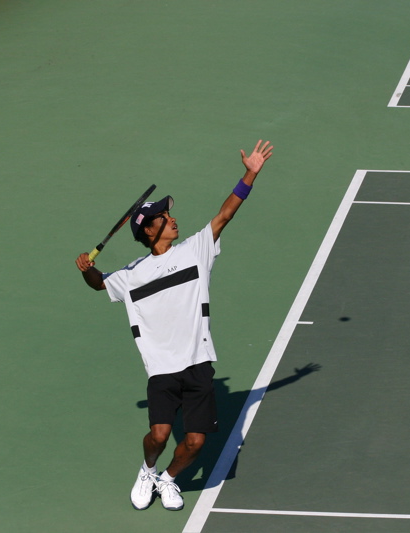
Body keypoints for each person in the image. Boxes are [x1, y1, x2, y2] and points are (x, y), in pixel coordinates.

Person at [74, 140, 273, 511]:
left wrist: (249, 174)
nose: (172, 219)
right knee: (159, 435)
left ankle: (167, 479)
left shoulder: (195, 251)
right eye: (164, 217)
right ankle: (147, 470)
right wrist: (87, 269)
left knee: (196, 442)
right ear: (149, 231)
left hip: (197, 361)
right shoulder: (132, 275)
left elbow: (225, 214)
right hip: (162, 367)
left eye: (169, 214)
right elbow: (99, 283)